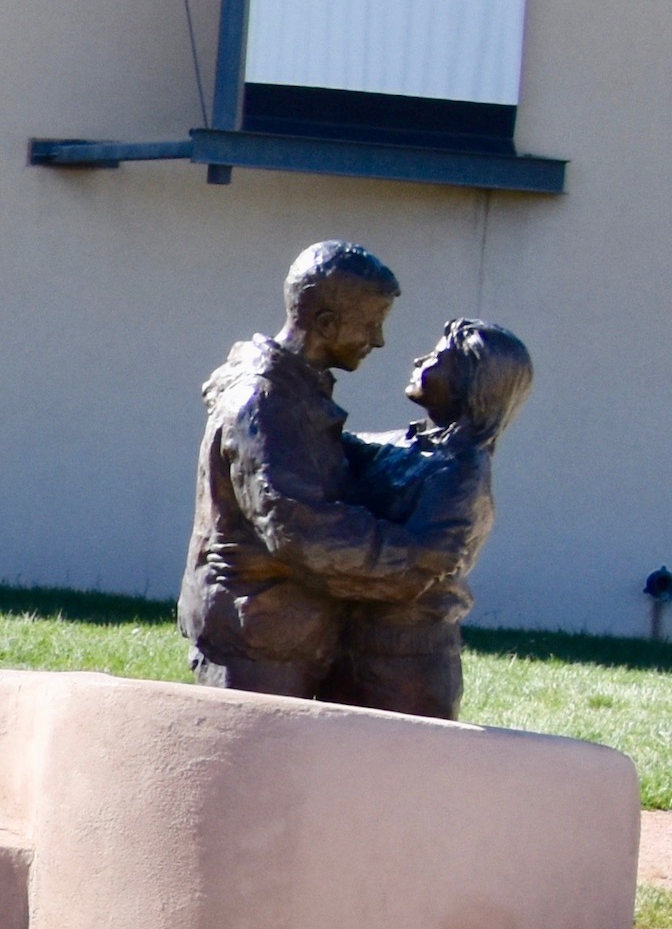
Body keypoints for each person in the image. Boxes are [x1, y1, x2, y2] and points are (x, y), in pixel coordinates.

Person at [180, 240, 464, 698]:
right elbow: (300, 528)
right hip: (258, 635)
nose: (378, 340)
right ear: (326, 323)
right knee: (262, 765)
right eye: (370, 324)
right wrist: (413, 554)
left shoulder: (299, 396)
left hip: (282, 628)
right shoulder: (265, 402)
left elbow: (331, 461)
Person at [327, 318, 532, 720]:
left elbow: (432, 559)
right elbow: (329, 440)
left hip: (407, 658)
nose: (420, 360)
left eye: (439, 358)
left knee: (404, 769)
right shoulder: (403, 444)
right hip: (350, 642)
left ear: (472, 383)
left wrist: (333, 551)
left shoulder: (461, 468)